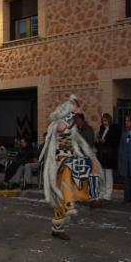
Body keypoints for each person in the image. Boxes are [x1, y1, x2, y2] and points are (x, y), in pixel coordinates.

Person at [40, 95, 102, 241]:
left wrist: (91, 156)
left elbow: (79, 142)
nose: (77, 111)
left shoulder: (72, 125)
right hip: (59, 162)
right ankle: (70, 205)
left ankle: (58, 227)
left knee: (86, 170)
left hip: (70, 158)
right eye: (74, 108)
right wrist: (73, 113)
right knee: (67, 176)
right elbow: (61, 128)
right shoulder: (58, 123)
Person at [95, 113, 120, 201]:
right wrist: (98, 141)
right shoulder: (102, 129)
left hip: (109, 156)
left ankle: (108, 194)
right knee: (101, 175)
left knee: (108, 175)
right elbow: (99, 144)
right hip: (101, 155)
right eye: (103, 121)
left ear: (109, 120)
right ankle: (102, 192)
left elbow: (115, 143)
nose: (104, 122)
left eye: (106, 121)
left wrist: (105, 141)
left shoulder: (115, 129)